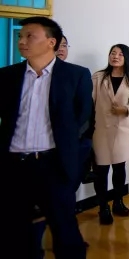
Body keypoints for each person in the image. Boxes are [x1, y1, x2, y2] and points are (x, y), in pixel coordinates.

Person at [0, 17, 92, 258]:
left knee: (65, 231)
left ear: (52, 42)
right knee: (14, 231)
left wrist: (70, 149)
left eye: (30, 36)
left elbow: (83, 115)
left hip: (53, 164)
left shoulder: (76, 75)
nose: (22, 41)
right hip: (14, 165)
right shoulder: (7, 76)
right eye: (20, 36)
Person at [92, 44, 129, 225]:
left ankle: (118, 202)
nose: (115, 56)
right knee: (101, 171)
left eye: (120, 54)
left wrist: (126, 109)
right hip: (100, 130)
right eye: (113, 53)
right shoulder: (98, 77)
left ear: (127, 58)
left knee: (119, 169)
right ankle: (103, 207)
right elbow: (90, 101)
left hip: (122, 130)